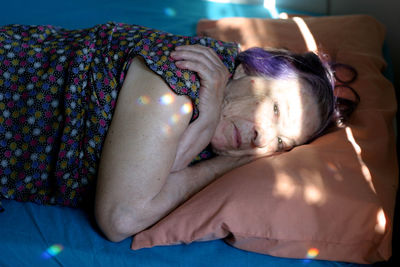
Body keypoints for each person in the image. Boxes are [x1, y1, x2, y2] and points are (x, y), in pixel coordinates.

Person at [0, 22, 356, 242]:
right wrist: (227, 166)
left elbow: (159, 174)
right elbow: (121, 218)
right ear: (251, 70)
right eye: (276, 109)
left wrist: (207, 124)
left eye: (281, 143)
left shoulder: (213, 116)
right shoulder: (179, 78)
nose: (262, 139)